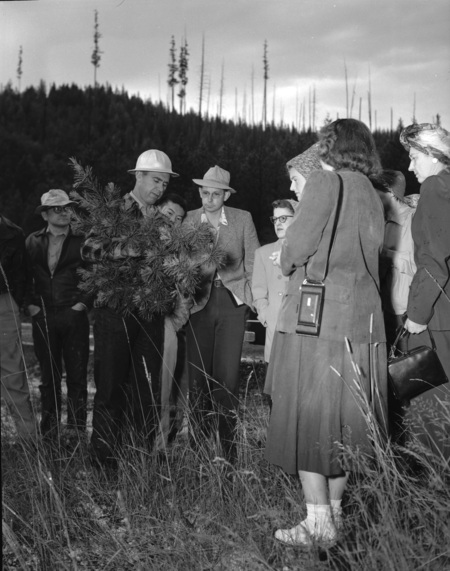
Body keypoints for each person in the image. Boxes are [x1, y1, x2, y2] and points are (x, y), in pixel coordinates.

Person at [265, 119, 388, 547]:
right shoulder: (374, 195)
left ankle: (316, 524)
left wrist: (285, 256)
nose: (320, 148)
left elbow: (294, 250)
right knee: (346, 423)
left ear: (334, 146)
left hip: (318, 323)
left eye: (324, 141)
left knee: (309, 417)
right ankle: (333, 516)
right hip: (363, 322)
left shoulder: (323, 182)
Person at [81, 150, 179, 468]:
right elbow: (89, 248)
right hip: (114, 310)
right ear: (138, 176)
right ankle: (104, 462)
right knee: (110, 386)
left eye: (164, 183)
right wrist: (130, 248)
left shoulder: (163, 220)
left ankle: (136, 460)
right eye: (155, 180)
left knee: (145, 389)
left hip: (150, 313)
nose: (160, 188)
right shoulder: (114, 209)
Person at [185, 165, 260, 464]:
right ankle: (199, 453)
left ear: (226, 195)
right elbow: (180, 261)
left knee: (227, 380)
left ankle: (228, 452)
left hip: (231, 303)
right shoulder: (190, 219)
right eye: (205, 193)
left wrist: (253, 302)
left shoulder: (242, 219)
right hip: (199, 303)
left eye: (216, 194)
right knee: (197, 378)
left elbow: (254, 262)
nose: (210, 199)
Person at [399, 122, 450, 459]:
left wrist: (417, 315)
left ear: (432, 156)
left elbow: (433, 260)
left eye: (414, 156)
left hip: (436, 316)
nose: (410, 166)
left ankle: (434, 491)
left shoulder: (436, 186)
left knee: (431, 409)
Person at [26, 190, 92, 440]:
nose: (64, 212)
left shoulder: (83, 240)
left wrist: (82, 305)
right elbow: (24, 276)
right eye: (57, 209)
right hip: (43, 315)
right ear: (45, 215)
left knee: (77, 376)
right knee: (48, 378)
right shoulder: (32, 241)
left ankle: (75, 433)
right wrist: (31, 306)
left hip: (73, 315)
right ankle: (50, 431)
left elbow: (93, 274)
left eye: (67, 208)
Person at [154, 192, 189, 449]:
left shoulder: (180, 251)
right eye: (169, 214)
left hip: (166, 323)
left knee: (166, 386)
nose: (173, 221)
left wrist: (176, 322)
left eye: (179, 219)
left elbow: (186, 291)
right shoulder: (138, 240)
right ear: (156, 211)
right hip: (136, 321)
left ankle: (160, 444)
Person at [0, 214, 38, 443]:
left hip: (3, 304)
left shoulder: (12, 233)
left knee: (13, 376)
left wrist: (14, 302)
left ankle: (30, 443)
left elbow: (22, 275)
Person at [372, 170, 418, 348]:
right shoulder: (382, 224)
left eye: (376, 193)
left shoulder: (414, 219)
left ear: (390, 192)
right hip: (385, 312)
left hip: (408, 316)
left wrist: (387, 254)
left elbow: (420, 266)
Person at [252, 199, 297, 365]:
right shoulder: (263, 253)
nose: (278, 223)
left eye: (283, 218)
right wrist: (265, 314)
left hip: (300, 325)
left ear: (298, 218)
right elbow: (258, 290)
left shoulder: (307, 252)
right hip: (275, 324)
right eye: (275, 219)